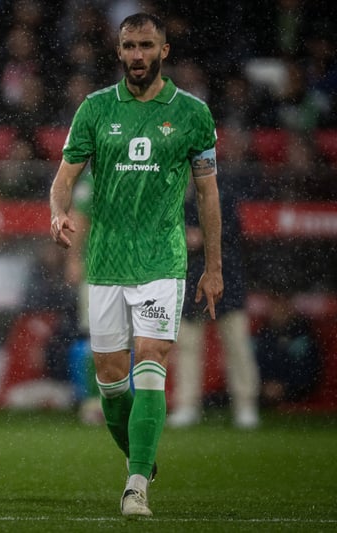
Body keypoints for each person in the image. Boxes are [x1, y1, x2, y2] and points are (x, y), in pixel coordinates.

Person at [49, 13, 222, 518]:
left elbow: (208, 194)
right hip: (105, 261)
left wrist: (213, 267)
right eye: (130, 46)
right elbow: (65, 177)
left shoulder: (192, 113)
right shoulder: (95, 108)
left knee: (149, 362)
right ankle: (141, 455)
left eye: (147, 45)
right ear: (119, 51)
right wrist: (58, 211)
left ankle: (136, 485)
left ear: (164, 51)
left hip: (161, 259)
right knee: (109, 381)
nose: (138, 55)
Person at [167, 178, 260, 430]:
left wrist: (204, 236)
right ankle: (186, 405)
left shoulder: (222, 193)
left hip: (225, 278)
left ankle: (245, 405)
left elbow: (234, 232)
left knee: (237, 343)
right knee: (187, 346)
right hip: (190, 279)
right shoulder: (175, 194)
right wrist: (184, 236)